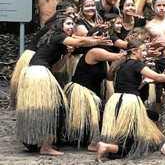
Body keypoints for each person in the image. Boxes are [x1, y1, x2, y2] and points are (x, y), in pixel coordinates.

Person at [16, 15, 111, 156]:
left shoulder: (60, 45)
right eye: (67, 23)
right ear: (60, 25)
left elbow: (56, 68)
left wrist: (66, 55)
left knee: (54, 107)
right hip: (38, 73)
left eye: (72, 24)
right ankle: (45, 146)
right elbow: (80, 41)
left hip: (39, 72)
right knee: (53, 108)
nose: (71, 26)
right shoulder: (57, 35)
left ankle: (43, 143)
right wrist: (96, 40)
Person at [96, 39, 165, 161]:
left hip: (117, 100)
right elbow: (158, 77)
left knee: (127, 135)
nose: (144, 53)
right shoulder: (137, 64)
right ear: (135, 51)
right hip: (129, 102)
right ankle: (106, 147)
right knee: (133, 144)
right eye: (142, 51)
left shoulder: (122, 63)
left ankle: (110, 148)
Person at [64, 47, 125, 151]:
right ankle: (92, 143)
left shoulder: (103, 60)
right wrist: (132, 52)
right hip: (82, 92)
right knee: (94, 117)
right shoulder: (94, 52)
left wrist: (115, 66)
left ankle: (91, 141)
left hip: (93, 93)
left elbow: (109, 77)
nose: (110, 41)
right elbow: (119, 57)